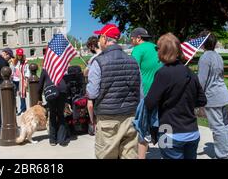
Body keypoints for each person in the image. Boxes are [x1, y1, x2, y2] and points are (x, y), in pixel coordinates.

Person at [145, 33, 207, 160]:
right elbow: (202, 100)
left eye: (157, 49)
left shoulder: (162, 73)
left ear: (162, 51)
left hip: (168, 130)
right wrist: (186, 103)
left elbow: (150, 102)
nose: (156, 52)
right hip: (192, 132)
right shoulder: (190, 73)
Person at [87, 24, 141, 159]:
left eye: (100, 37)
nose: (99, 41)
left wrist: (92, 119)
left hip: (107, 120)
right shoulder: (133, 61)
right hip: (130, 117)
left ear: (105, 38)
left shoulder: (98, 62)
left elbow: (92, 94)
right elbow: (140, 92)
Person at [198, 32, 228, 159]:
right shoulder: (218, 56)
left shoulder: (205, 57)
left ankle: (224, 155)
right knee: (225, 125)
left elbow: (202, 80)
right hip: (223, 93)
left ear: (203, 43)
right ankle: (227, 152)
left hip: (213, 96)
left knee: (217, 127)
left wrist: (195, 96)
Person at [130, 27, 163, 159]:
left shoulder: (138, 49)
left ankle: (141, 156)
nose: (131, 41)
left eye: (132, 39)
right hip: (161, 92)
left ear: (138, 38)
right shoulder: (157, 47)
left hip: (145, 94)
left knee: (142, 127)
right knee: (162, 124)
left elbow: (132, 69)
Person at [38, 68, 70, 147]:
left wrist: (39, 98)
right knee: (60, 114)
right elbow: (66, 80)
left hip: (51, 91)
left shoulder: (45, 69)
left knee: (52, 115)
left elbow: (40, 86)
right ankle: (61, 139)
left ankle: (53, 139)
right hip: (62, 90)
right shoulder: (60, 65)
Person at [10, 48, 30, 116]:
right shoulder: (13, 61)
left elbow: (27, 72)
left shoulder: (25, 62)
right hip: (14, 80)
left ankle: (23, 109)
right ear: (16, 55)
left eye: (21, 55)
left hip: (21, 80)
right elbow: (11, 70)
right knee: (13, 95)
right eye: (18, 55)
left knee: (22, 95)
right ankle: (14, 109)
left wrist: (26, 81)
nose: (19, 56)